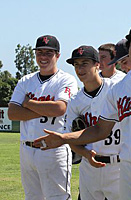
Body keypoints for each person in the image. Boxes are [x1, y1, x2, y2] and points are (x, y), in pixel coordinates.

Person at [34, 23, 131, 200]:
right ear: (128, 48)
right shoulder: (120, 87)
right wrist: (63, 138)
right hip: (127, 166)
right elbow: (100, 129)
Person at [7, 35, 78, 200]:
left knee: (57, 197)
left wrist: (28, 103)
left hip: (53, 149)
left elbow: (60, 108)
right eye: (40, 52)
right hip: (26, 149)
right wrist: (46, 108)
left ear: (57, 55)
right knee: (32, 197)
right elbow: (12, 113)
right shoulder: (26, 80)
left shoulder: (66, 80)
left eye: (49, 53)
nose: (43, 57)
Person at [65, 45, 123, 200]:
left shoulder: (116, 89)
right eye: (76, 65)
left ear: (97, 64)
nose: (79, 69)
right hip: (89, 167)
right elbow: (69, 137)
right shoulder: (75, 101)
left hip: (119, 165)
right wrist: (85, 154)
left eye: (85, 63)